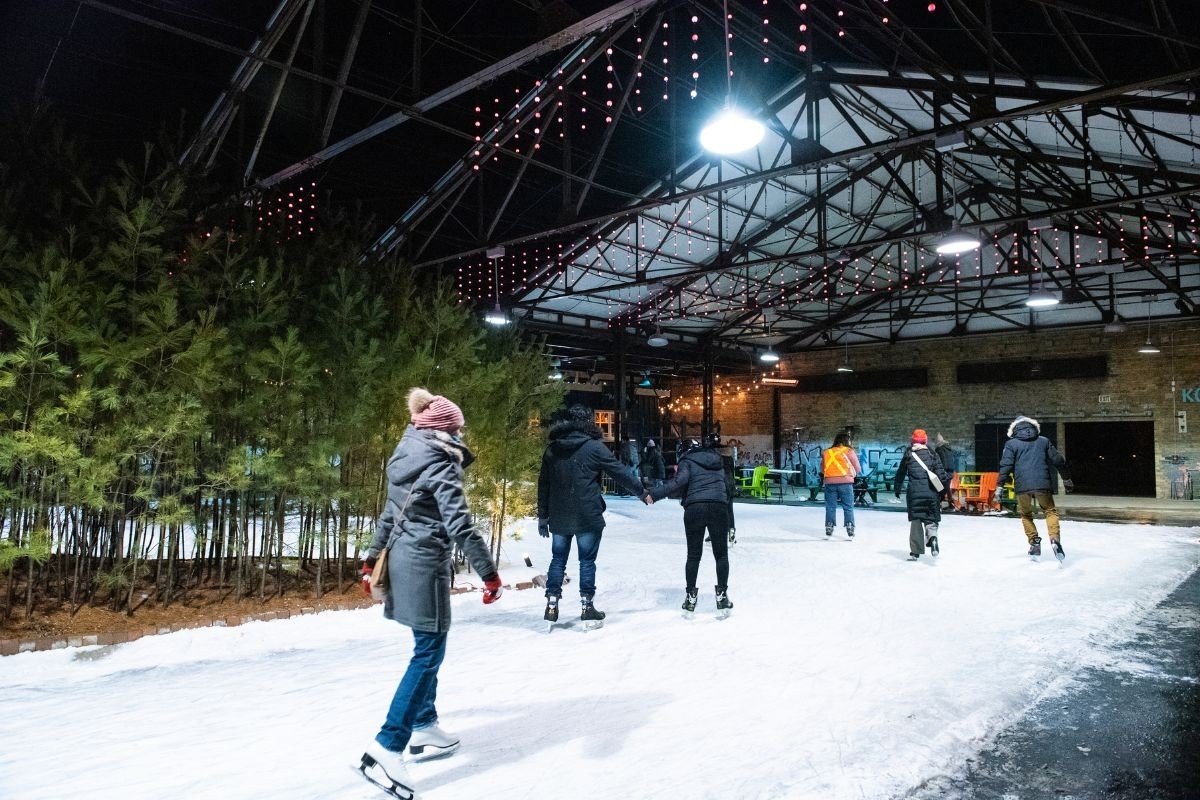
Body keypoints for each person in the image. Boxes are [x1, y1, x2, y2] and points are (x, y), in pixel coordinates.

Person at [357, 388, 504, 800]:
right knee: (429, 651)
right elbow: (460, 525)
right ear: (443, 429)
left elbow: (389, 515)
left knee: (426, 643)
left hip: (402, 560)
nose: (460, 436)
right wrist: (489, 574)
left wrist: (370, 561)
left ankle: (424, 725)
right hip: (424, 565)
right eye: (456, 429)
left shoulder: (407, 454)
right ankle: (387, 746)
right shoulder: (440, 463)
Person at [537, 404, 647, 627]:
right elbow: (620, 473)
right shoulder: (595, 448)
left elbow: (544, 485)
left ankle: (551, 602)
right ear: (589, 422)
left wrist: (543, 516)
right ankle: (587, 606)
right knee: (586, 561)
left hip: (559, 515)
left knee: (558, 559)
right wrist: (642, 492)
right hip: (587, 514)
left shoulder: (552, 449)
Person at [646, 436, 736, 617]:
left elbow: (678, 483)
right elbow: (728, 486)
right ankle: (722, 596)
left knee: (694, 555)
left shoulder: (688, 461)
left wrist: (653, 495)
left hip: (695, 508)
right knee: (721, 554)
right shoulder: (717, 460)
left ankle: (690, 598)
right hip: (719, 507)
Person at [995, 415, 1074, 562]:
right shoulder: (1043, 441)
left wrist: (999, 487)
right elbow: (1058, 459)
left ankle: (1034, 542)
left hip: (1022, 486)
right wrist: (1066, 478)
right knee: (1050, 511)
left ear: (1015, 428)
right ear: (1033, 426)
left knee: (1026, 515)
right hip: (1042, 484)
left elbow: (1005, 466)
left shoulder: (1011, 444)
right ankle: (1055, 539)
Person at [893, 428, 952, 561]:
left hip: (914, 493)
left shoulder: (908, 454)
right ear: (925, 440)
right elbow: (941, 475)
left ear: (913, 441)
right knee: (931, 518)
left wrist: (897, 489)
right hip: (931, 492)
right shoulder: (932, 454)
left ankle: (915, 552)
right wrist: (943, 492)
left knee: (916, 521)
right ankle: (933, 538)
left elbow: (900, 473)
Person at [821, 431, 862, 538]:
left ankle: (829, 527)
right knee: (848, 507)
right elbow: (858, 468)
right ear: (846, 441)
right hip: (846, 483)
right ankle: (850, 528)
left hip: (830, 483)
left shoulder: (827, 452)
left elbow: (822, 468)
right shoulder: (849, 451)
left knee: (830, 506)